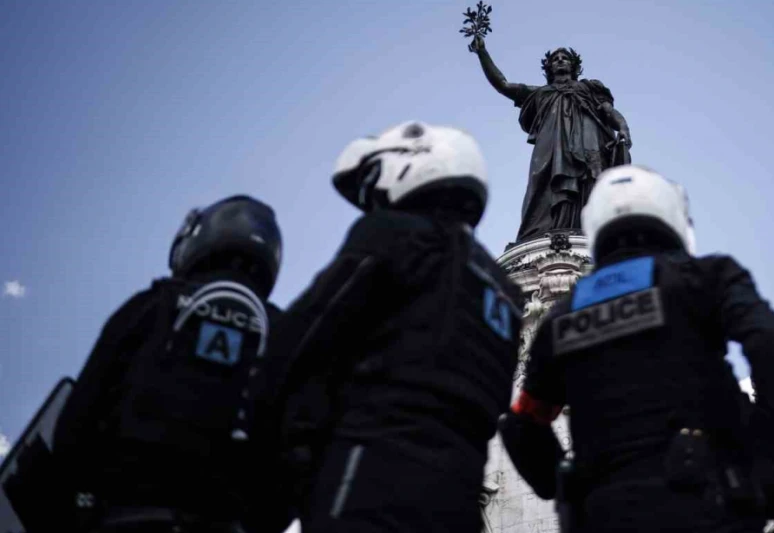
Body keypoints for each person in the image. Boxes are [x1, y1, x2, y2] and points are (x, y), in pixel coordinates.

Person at [500, 165, 774, 533]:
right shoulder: (706, 277)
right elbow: (773, 344)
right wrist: (769, 446)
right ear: (672, 218)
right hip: (708, 497)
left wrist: (563, 484)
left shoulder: (563, 316)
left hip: (607, 509)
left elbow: (524, 421)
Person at [277, 121, 524, 533]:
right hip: (458, 492)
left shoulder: (394, 233)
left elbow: (304, 334)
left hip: (370, 466)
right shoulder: (505, 294)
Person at [53, 195, 287, 533]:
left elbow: (78, 420)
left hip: (125, 517)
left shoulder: (150, 305)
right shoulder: (288, 333)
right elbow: (300, 452)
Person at [470, 34, 632, 243]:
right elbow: (504, 85)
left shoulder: (589, 88)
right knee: (543, 183)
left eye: (564, 57)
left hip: (588, 140)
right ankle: (543, 231)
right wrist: (482, 53)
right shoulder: (540, 93)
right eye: (555, 59)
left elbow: (609, 111)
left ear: (574, 65)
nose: (560, 60)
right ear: (549, 68)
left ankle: (587, 229)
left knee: (591, 179)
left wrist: (623, 127)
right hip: (551, 146)